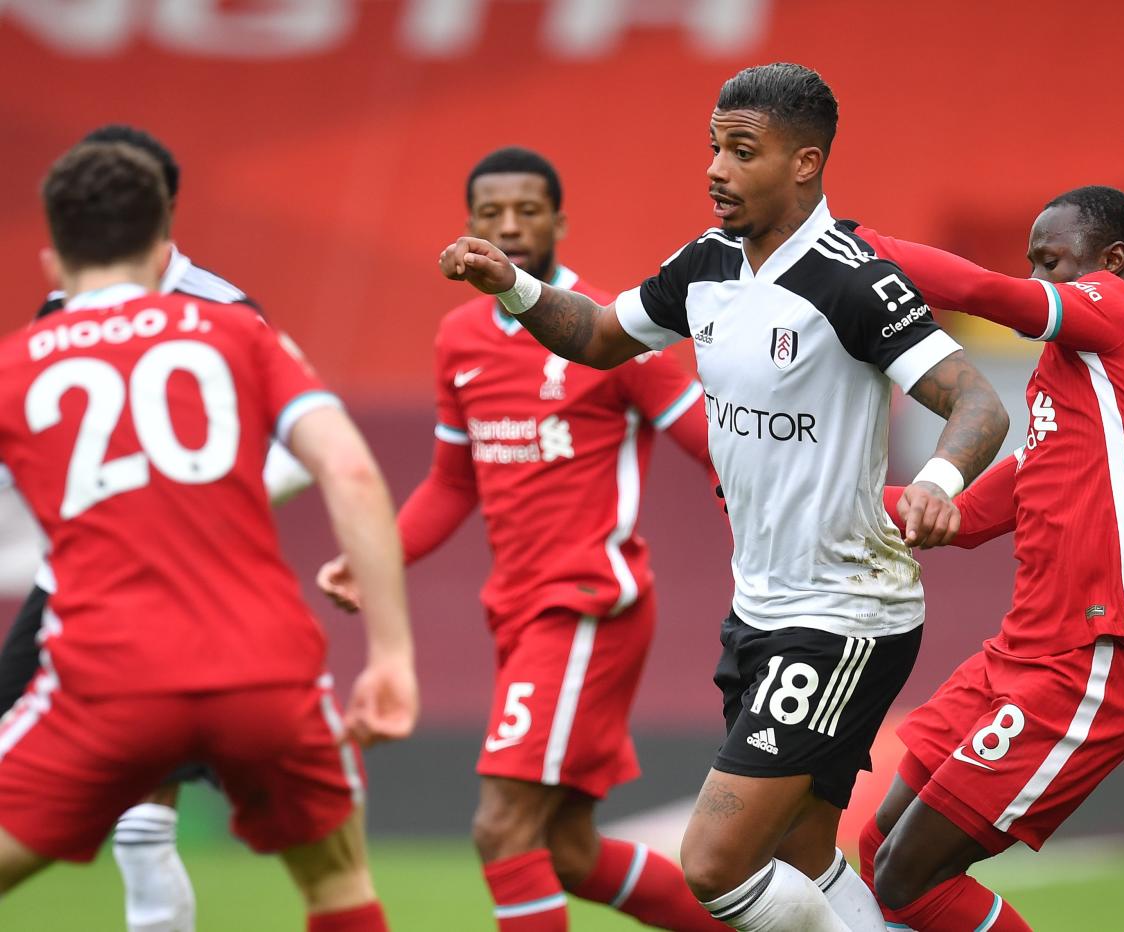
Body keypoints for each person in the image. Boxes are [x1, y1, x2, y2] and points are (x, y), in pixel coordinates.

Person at [437, 65, 1010, 931]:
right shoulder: (704, 266)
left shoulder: (853, 281)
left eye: (743, 151)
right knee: (803, 859)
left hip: (844, 611)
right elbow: (597, 335)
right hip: (762, 610)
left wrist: (936, 483)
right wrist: (513, 288)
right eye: (714, 147)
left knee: (714, 863)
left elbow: (978, 401)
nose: (716, 168)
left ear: (805, 163)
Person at [0, 141, 417, 932]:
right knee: (340, 889)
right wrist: (392, 656)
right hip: (263, 671)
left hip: (106, 677)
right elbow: (352, 473)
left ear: (53, 263)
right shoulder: (236, 332)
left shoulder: (17, 365)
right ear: (164, 249)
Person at [319, 146, 725, 932]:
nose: (509, 226)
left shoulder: (610, 331)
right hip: (518, 612)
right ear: (468, 225)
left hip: (587, 607)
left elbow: (714, 441)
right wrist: (377, 561)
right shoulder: (460, 339)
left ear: (560, 222)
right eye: (491, 213)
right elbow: (450, 484)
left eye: (528, 211)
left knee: (500, 830)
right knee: (567, 849)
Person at [847, 186, 1124, 931]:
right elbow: (964, 517)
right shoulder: (1077, 391)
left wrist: (856, 246)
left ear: (1111, 262)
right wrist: (821, 504)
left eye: (1052, 263)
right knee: (877, 852)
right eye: (1031, 262)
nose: (1037, 280)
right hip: (1018, 656)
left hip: (1089, 661)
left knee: (909, 877)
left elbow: (986, 294)